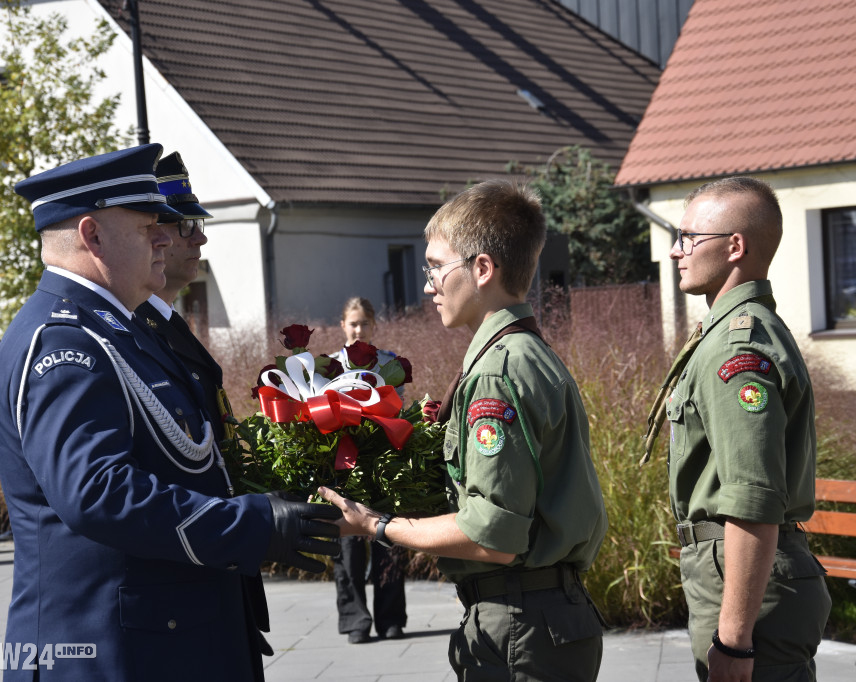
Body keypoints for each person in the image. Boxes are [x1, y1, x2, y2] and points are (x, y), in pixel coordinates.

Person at [0, 143, 340, 681]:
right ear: (92, 235)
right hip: (111, 651)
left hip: (161, 641)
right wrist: (252, 524)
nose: (164, 235)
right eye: (146, 224)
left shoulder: (115, 329)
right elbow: (98, 493)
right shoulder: (66, 343)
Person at [320, 180, 608, 681]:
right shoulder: (522, 353)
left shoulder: (499, 370)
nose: (428, 285)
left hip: (522, 625)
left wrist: (378, 525)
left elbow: (493, 534)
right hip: (534, 618)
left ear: (481, 269)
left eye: (435, 267)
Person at [641, 177, 830, 681]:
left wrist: (735, 639)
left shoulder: (736, 347)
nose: (677, 251)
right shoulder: (734, 331)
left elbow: (752, 497)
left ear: (735, 247)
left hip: (745, 583)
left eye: (688, 238)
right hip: (739, 575)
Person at [134, 151, 272, 658]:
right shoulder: (135, 332)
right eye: (187, 224)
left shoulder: (167, 324)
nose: (201, 237)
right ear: (154, 233)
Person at [329, 297, 408, 644]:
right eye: (353, 323)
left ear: (374, 325)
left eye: (364, 323)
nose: (359, 329)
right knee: (346, 543)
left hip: (382, 457)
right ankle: (355, 620)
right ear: (343, 325)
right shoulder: (328, 365)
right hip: (343, 461)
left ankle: (390, 617)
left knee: (388, 536)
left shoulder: (390, 362)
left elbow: (399, 407)